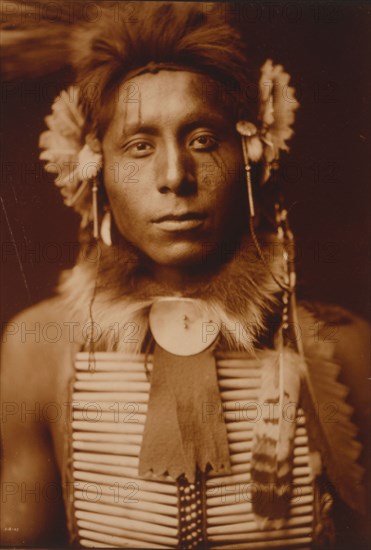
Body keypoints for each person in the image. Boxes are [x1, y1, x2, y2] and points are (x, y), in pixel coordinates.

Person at [1, 2, 369, 549]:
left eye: (202, 140)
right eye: (140, 146)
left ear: (252, 154)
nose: (175, 177)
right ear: (94, 170)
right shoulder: (38, 349)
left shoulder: (344, 346)